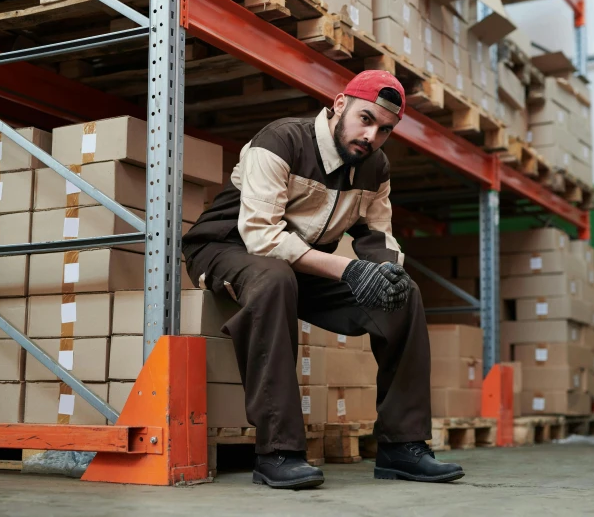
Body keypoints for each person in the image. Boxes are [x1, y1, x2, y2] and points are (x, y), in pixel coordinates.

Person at [183, 70, 464, 489]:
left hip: (303, 266)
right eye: (365, 119)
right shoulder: (280, 141)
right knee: (275, 278)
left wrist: (387, 271)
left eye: (385, 130)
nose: (371, 136)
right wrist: (349, 269)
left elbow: (377, 233)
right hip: (229, 249)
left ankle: (402, 446)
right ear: (339, 105)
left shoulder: (375, 167)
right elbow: (261, 236)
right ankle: (278, 451)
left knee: (404, 295)